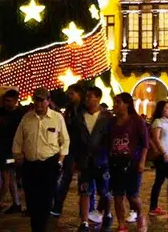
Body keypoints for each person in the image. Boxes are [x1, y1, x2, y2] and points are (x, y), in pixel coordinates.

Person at [12, 88, 70, 232]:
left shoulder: (57, 118)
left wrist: (60, 161)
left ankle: (40, 228)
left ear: (48, 101)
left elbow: (65, 141)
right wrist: (17, 155)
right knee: (31, 200)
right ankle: (36, 225)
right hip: (30, 165)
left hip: (49, 164)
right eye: (36, 100)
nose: (38, 103)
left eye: (41, 100)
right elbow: (18, 140)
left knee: (46, 199)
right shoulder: (27, 118)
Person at [69, 86, 114, 231]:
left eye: (90, 97)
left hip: (102, 160)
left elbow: (111, 139)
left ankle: (107, 214)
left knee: (105, 191)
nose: (87, 99)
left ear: (98, 98)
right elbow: (74, 140)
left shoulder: (106, 118)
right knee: (85, 191)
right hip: (85, 161)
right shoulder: (79, 118)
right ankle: (84, 222)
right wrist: (75, 159)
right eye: (86, 97)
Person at [106, 92, 147, 232]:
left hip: (132, 163)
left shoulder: (137, 121)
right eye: (114, 102)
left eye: (118, 102)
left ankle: (140, 215)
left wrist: (142, 161)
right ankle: (121, 224)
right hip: (116, 162)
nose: (115, 105)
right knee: (118, 195)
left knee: (132, 195)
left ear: (127, 104)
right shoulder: (111, 122)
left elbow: (145, 144)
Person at [0, 89, 25, 215]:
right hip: (1, 151)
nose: (6, 103)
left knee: (7, 176)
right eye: (4, 100)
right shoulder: (0, 112)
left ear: (16, 101)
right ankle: (16, 204)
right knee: (10, 177)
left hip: (11, 154)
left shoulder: (21, 114)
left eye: (9, 101)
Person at [53, 83, 83, 217]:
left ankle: (87, 209)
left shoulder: (84, 108)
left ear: (79, 94)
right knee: (66, 177)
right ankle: (58, 206)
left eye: (72, 94)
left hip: (82, 147)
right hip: (70, 147)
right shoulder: (70, 108)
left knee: (85, 181)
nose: (69, 96)